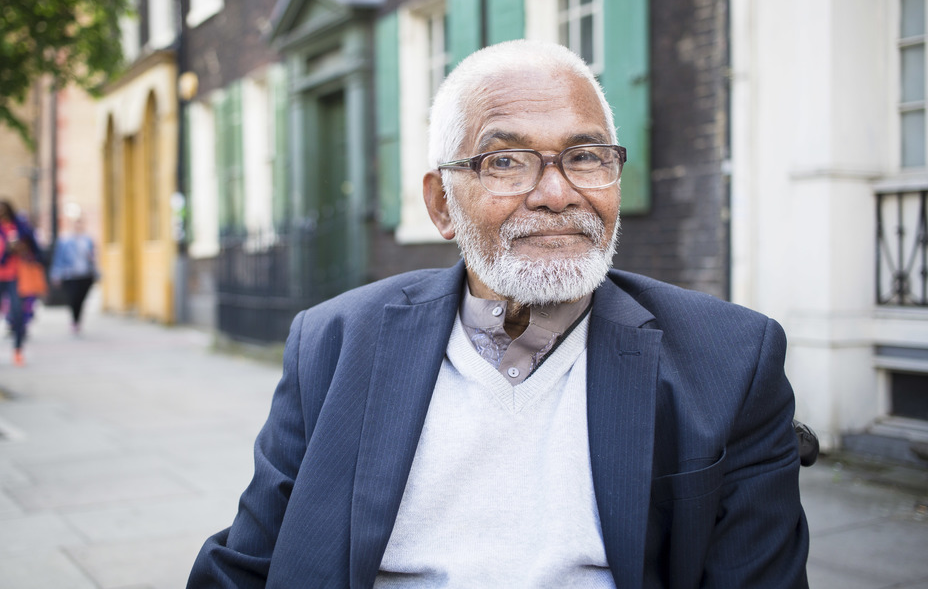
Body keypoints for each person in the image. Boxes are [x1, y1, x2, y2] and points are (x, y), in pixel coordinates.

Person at [187, 40, 810, 588]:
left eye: (587, 156)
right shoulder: (335, 342)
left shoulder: (730, 359)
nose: (557, 192)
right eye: (506, 162)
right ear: (441, 206)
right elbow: (250, 564)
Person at [0, 200, 36, 365]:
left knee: (18, 311)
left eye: (1, 211)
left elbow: (30, 245)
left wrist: (17, 247)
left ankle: (18, 350)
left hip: (12, 274)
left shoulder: (16, 228)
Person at [49, 215, 97, 334]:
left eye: (80, 223)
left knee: (81, 299)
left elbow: (93, 257)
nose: (78, 226)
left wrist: (95, 270)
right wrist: (56, 274)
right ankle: (74, 320)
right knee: (73, 298)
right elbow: (59, 258)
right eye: (76, 223)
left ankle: (78, 320)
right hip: (70, 274)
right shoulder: (65, 240)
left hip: (85, 274)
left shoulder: (88, 240)